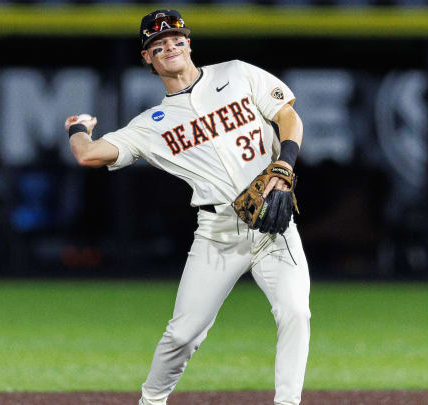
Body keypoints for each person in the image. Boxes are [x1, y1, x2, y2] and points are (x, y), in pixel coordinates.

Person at [65, 9, 311, 405]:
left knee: (296, 312)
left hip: (272, 226)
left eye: (176, 38)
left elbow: (287, 115)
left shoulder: (236, 73)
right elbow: (89, 155)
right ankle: (152, 401)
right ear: (148, 58)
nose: (170, 46)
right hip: (217, 234)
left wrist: (285, 163)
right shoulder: (150, 124)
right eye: (158, 45)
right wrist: (77, 129)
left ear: (189, 43)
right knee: (183, 334)